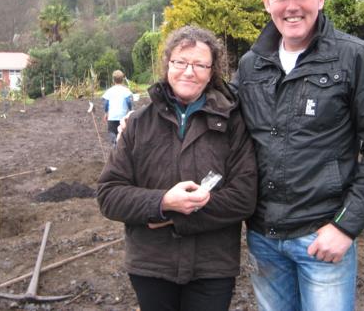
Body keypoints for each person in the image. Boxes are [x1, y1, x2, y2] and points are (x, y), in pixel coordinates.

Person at [232, 0, 364, 311]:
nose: (292, 6)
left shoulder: (354, 57)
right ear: (267, 3)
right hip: (264, 237)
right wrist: (152, 119)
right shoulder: (251, 64)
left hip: (322, 236)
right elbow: (220, 124)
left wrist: (345, 227)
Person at [97, 26, 258, 311]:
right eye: (181, 62)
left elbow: (244, 196)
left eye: (199, 64)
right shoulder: (138, 124)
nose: (189, 71)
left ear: (212, 72)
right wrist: (161, 202)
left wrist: (175, 216)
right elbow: (109, 195)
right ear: (168, 65)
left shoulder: (232, 123)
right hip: (151, 265)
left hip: (212, 267)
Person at [102, 70, 133, 147]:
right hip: (123, 116)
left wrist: (106, 113)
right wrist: (130, 110)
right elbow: (128, 101)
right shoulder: (126, 90)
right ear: (122, 79)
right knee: (123, 132)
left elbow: (106, 103)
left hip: (112, 116)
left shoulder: (109, 91)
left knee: (111, 131)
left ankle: (115, 143)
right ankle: (119, 145)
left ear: (113, 80)